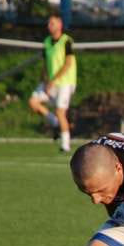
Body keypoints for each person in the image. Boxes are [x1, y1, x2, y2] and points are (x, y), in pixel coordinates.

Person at [28, 14, 77, 153]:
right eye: (49, 23)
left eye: (52, 23)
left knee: (60, 111)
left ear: (60, 24)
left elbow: (68, 64)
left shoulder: (66, 41)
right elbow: (45, 65)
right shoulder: (47, 42)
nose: (50, 26)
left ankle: (65, 145)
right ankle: (55, 123)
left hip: (65, 83)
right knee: (33, 102)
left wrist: (53, 81)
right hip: (50, 83)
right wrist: (44, 81)